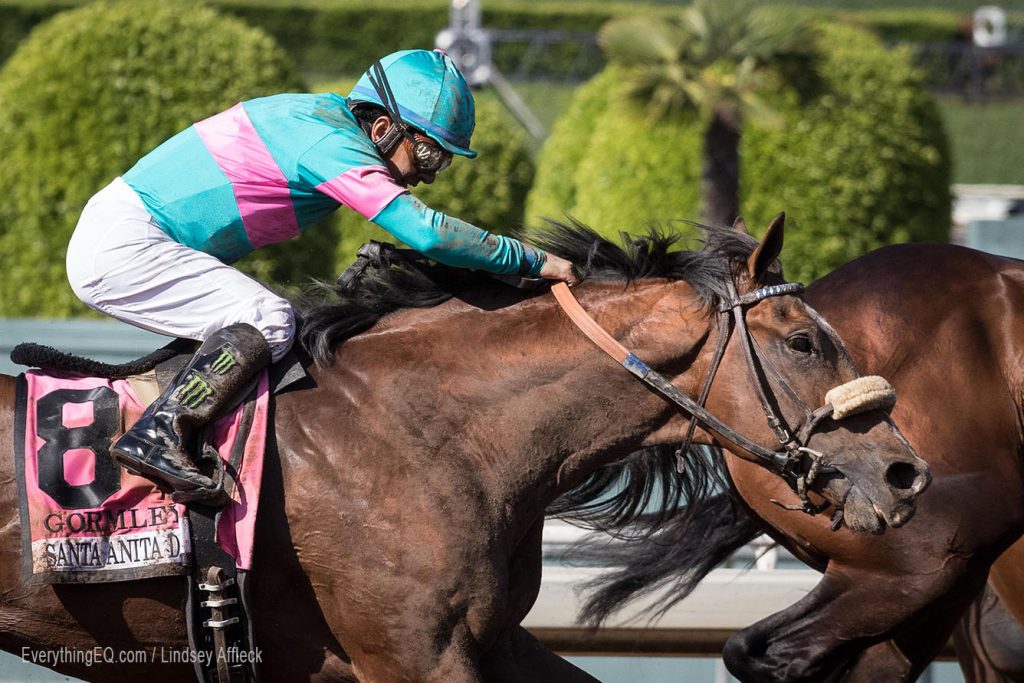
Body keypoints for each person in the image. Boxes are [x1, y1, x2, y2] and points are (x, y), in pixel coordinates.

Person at [66, 48, 578, 501]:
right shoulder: (327, 141)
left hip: (130, 235)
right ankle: (159, 435)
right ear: (383, 128)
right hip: (126, 246)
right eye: (427, 153)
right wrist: (533, 260)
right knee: (268, 318)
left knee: (269, 321)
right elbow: (426, 232)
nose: (427, 175)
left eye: (442, 162)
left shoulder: (321, 120)